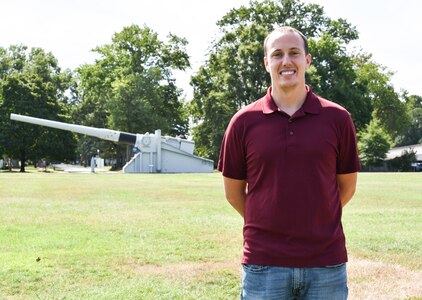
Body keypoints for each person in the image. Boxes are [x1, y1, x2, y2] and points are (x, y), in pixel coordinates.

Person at [217, 26, 360, 299]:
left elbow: (347, 188)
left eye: (294, 53)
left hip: (325, 262)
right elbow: (234, 193)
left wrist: (317, 218)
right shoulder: (243, 122)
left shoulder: (338, 119)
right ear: (266, 63)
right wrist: (267, 222)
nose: (286, 61)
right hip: (264, 263)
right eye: (277, 54)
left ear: (307, 60)